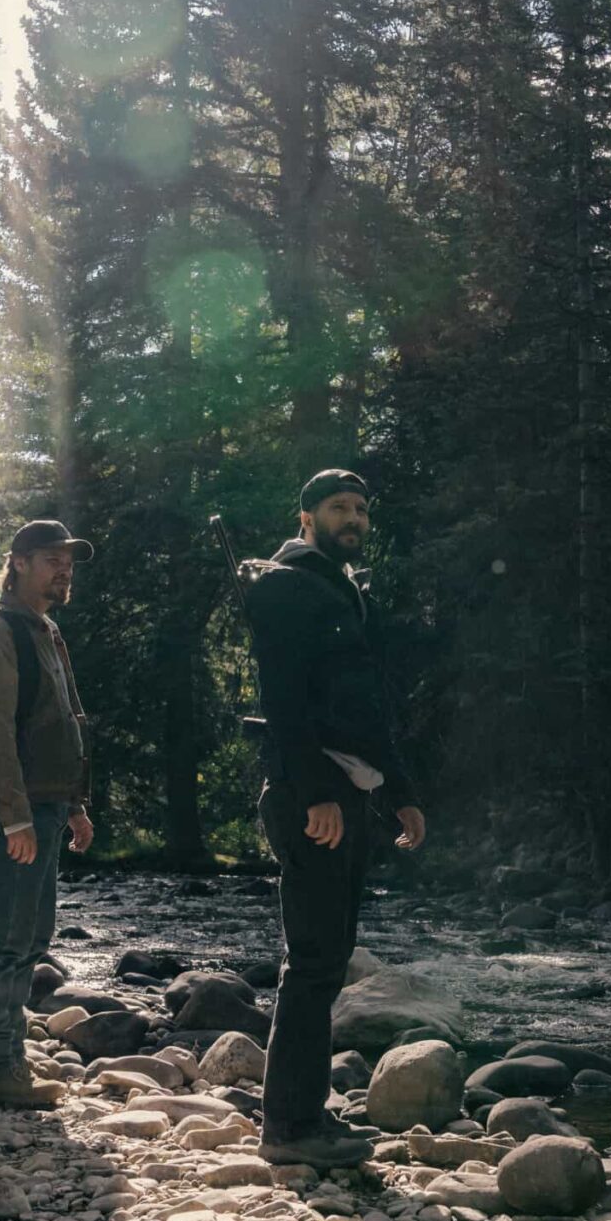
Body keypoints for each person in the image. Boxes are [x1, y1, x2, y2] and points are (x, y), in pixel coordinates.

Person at [245, 469, 429, 1166]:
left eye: (359, 507)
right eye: (337, 507)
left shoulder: (344, 591)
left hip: (350, 794)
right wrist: (317, 790)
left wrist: (400, 793)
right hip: (311, 796)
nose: (352, 517)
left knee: (326, 957)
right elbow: (285, 702)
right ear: (306, 518)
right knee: (315, 960)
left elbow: (365, 710)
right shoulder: (286, 588)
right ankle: (289, 1127)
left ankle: (305, 1114)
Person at [0, 519, 97, 1109]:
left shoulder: (48, 632)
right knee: (4, 939)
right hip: (16, 810)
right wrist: (14, 816)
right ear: (16, 563)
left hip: (47, 807)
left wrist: (76, 807)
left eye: (68, 560)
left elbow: (67, 722)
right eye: (49, 559)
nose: (63, 569)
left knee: (30, 937)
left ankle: (2, 1060)